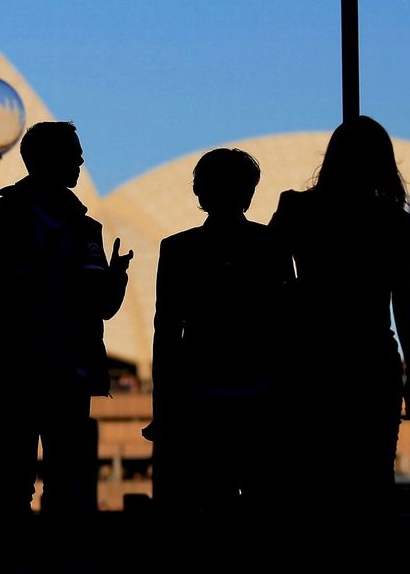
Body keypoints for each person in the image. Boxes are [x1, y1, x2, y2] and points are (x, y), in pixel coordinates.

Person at [0, 120, 133, 570]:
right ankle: (15, 558)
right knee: (14, 474)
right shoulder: (2, 216)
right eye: (73, 153)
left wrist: (115, 281)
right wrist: (38, 273)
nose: (80, 162)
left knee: (67, 475)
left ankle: (61, 559)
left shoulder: (86, 228)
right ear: (43, 159)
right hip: (17, 366)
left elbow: (102, 307)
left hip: (70, 368)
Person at [267, 115, 410, 549]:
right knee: (373, 479)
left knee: (313, 479)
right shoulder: (394, 223)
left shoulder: (297, 209)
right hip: (373, 361)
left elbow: (270, 278)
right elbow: (403, 302)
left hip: (311, 361)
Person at [143, 149, 293, 556]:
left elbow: (166, 331)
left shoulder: (178, 249)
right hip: (263, 397)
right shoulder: (272, 245)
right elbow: (288, 324)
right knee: (265, 507)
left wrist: (163, 406)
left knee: (208, 508)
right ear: (249, 193)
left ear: (200, 192)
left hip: (199, 398)